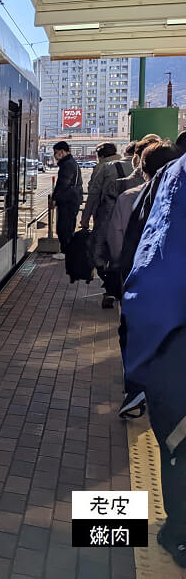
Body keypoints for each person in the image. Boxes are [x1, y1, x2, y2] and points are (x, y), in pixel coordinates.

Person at [121, 152, 186, 568]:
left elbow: (148, 260)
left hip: (171, 339)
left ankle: (177, 531)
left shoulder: (174, 177)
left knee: (177, 443)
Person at [107, 142, 182, 419]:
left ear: (142, 167)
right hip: (173, 289)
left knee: (133, 332)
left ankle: (136, 390)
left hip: (141, 282)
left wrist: (119, 268)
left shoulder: (132, 197)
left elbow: (117, 239)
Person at [81, 143, 128, 307]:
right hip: (130, 218)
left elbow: (93, 194)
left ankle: (110, 288)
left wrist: (85, 218)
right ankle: (118, 288)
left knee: (97, 252)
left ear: (100, 155)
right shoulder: (132, 165)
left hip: (106, 218)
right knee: (121, 253)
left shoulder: (103, 168)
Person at [51, 141, 83, 260]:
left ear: (62, 151)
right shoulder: (71, 163)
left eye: (56, 152)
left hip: (68, 200)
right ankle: (67, 250)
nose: (55, 155)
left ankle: (66, 252)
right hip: (72, 199)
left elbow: (62, 183)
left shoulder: (67, 164)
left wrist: (54, 199)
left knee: (64, 227)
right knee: (68, 226)